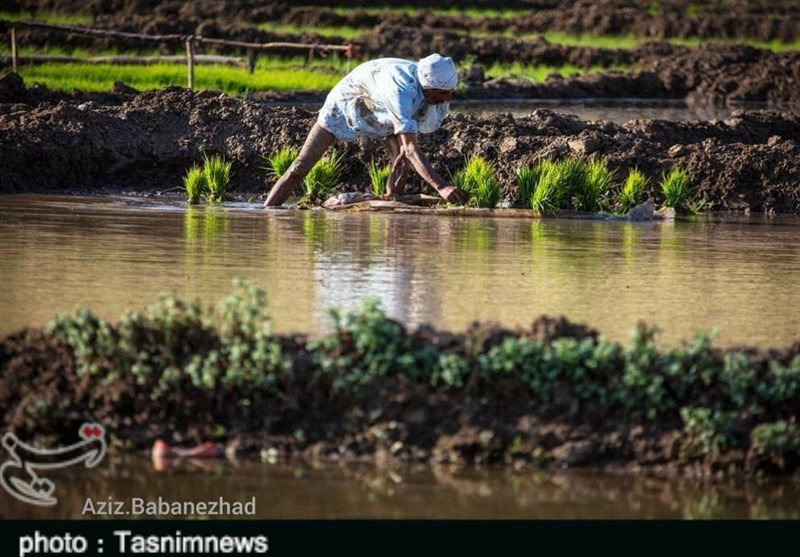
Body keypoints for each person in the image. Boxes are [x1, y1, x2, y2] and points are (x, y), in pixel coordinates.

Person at [264, 53, 469, 206]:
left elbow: (407, 148)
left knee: (401, 156)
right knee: (300, 167)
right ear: (429, 87)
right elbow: (411, 148)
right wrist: (441, 186)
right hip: (349, 103)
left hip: (383, 108)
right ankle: (268, 211)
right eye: (442, 94)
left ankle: (394, 201)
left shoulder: (431, 86)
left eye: (449, 93)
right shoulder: (400, 90)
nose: (448, 99)